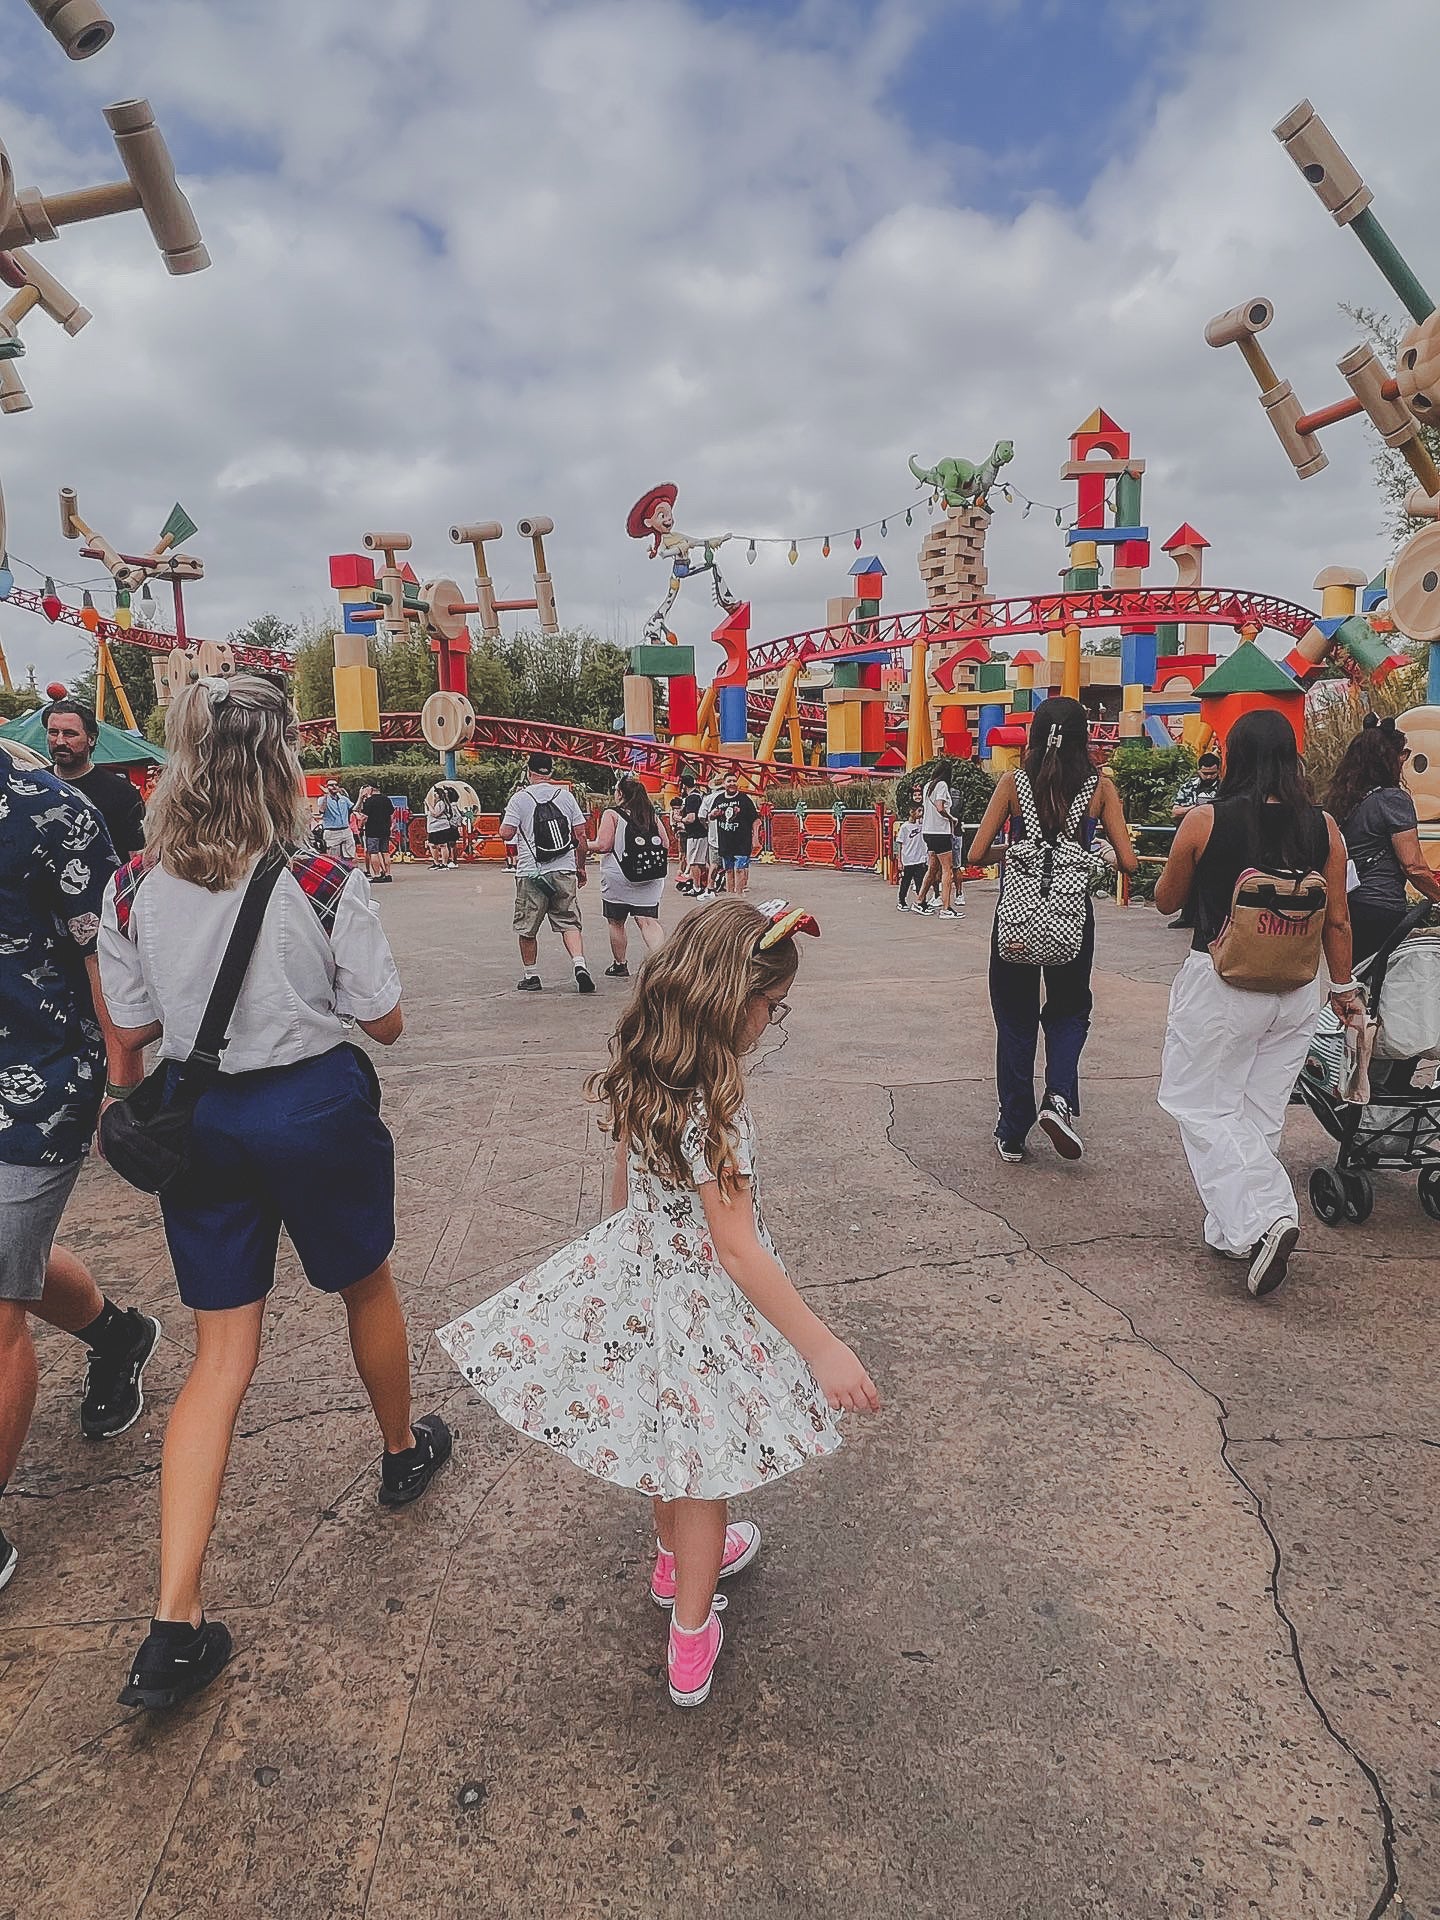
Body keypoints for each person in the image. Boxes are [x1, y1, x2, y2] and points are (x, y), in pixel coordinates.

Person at [96, 675, 450, 1711]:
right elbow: (383, 1021)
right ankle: (398, 1451)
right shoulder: (322, 875)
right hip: (311, 1109)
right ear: (283, 759)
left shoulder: (130, 885)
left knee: (219, 1355)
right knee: (363, 1286)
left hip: (200, 1123)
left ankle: (175, 1622)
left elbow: (132, 1026)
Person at [436, 899, 879, 1709]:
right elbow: (738, 1249)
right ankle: (690, 1634)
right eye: (769, 1007)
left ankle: (673, 1561)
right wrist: (821, 1346)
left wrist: (614, 1259)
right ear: (733, 1000)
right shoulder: (720, 1100)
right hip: (702, 1295)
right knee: (705, 1465)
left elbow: (619, 1181)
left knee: (662, 1426)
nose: (770, 1022)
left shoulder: (647, 1063)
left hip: (641, 1271)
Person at [0, 740, 163, 1594]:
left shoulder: (54, 813)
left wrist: (123, 1088)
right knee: (10, 1271)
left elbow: (108, 962)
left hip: (33, 1089)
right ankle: (118, 1334)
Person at [1154, 709, 1355, 1299]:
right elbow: (1337, 917)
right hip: (1296, 989)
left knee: (1199, 1105)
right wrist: (1342, 991)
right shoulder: (1324, 827)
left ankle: (1269, 1216)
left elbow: (1167, 900)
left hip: (1222, 985)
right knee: (1259, 1112)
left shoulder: (1204, 820)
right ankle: (1233, 1231)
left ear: (1235, 756)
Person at [968, 697, 1137, 1164]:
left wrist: (1020, 852)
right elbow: (1128, 862)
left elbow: (977, 854)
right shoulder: (1100, 787)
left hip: (1016, 919)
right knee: (1069, 1010)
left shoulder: (1012, 784)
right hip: (1070, 920)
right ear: (1084, 737)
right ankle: (1058, 1098)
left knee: (1015, 1018)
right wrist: (1093, 849)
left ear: (1034, 736)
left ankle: (1012, 1129)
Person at [1327, 715, 1440, 965]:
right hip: (1381, 904)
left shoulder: (1341, 801)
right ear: (1388, 759)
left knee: (1351, 980)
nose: (1404, 761)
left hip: (1342, 905)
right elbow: (1413, 865)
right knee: (1381, 986)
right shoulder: (1393, 800)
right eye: (1403, 753)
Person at [501, 752, 594, 993]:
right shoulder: (566, 797)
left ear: (529, 771)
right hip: (564, 869)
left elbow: (506, 833)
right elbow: (581, 835)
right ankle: (579, 964)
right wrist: (580, 866)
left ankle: (531, 976)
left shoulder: (519, 799)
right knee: (569, 921)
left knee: (527, 927)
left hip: (532, 873)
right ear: (550, 773)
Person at [593, 774, 675, 977]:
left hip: (618, 876)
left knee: (616, 921)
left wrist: (582, 845)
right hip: (650, 876)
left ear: (620, 794)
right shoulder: (651, 815)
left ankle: (620, 964)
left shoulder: (612, 814)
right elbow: (665, 844)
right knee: (647, 920)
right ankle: (662, 963)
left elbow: (603, 845)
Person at [44, 696, 146, 860]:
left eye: (70, 734)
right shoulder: (35, 787)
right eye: (53, 733)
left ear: (91, 739)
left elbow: (137, 856)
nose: (60, 741)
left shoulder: (121, 793)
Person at [1167, 751, 1223, 929]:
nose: (1208, 777)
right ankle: (1186, 915)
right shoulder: (1190, 786)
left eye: (1212, 773)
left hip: (1214, 836)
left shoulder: (1224, 787)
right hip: (1188, 834)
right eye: (1205, 773)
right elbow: (1175, 811)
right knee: (1187, 876)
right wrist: (1196, 809)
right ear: (1198, 770)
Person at [915, 760, 961, 918]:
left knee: (932, 867)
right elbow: (940, 807)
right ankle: (946, 908)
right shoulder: (942, 785)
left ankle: (920, 900)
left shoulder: (928, 785)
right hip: (940, 831)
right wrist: (951, 818)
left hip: (928, 831)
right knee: (947, 870)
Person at [712, 770, 760, 896]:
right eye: (729, 781)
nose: (732, 783)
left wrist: (755, 838)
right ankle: (729, 895)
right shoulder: (719, 799)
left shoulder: (744, 799)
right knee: (728, 870)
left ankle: (739, 894)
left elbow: (756, 820)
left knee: (739, 868)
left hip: (742, 841)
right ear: (724, 784)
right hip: (725, 841)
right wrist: (712, 815)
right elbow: (711, 816)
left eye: (734, 781)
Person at [676, 770, 708, 897]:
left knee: (694, 862)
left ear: (684, 785)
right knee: (700, 861)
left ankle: (697, 886)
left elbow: (691, 818)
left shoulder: (691, 798)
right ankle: (705, 883)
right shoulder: (699, 795)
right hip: (702, 833)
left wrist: (680, 819)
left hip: (695, 834)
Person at [357, 784, 395, 883]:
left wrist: (360, 825)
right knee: (385, 852)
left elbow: (364, 817)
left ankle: (377, 874)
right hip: (385, 829)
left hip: (372, 830)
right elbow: (392, 814)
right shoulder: (386, 799)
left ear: (371, 789)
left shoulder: (369, 801)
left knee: (373, 852)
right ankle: (388, 874)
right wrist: (390, 825)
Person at [895, 802, 927, 911]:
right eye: (919, 811)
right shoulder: (904, 827)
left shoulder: (922, 825)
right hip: (908, 859)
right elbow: (899, 844)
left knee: (920, 882)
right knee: (906, 882)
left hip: (919, 859)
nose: (921, 813)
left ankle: (922, 902)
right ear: (912, 812)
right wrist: (899, 861)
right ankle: (902, 900)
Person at [424, 783, 461, 870]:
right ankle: (437, 863)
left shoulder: (442, 803)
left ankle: (445, 863)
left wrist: (428, 805)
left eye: (436, 794)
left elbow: (436, 814)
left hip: (441, 826)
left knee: (443, 845)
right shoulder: (442, 803)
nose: (434, 796)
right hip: (433, 827)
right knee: (433, 845)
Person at [700, 774, 726, 897]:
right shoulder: (729, 797)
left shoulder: (708, 798)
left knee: (714, 862)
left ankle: (710, 886)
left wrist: (706, 825)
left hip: (713, 834)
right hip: (730, 834)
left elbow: (701, 816)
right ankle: (733, 886)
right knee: (732, 863)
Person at [318, 778, 356, 861]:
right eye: (331, 785)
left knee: (350, 856)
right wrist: (326, 796)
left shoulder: (344, 799)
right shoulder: (322, 799)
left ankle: (349, 872)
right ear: (326, 787)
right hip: (332, 832)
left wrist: (361, 796)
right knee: (334, 858)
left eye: (336, 785)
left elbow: (354, 809)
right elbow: (321, 810)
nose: (334, 786)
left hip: (346, 830)